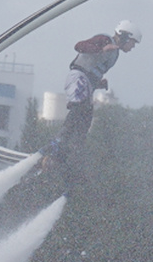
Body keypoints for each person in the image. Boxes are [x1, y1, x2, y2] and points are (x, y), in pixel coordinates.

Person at [41, 20, 142, 182]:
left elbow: (93, 69)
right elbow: (79, 46)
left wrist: (99, 83)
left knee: (85, 121)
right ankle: (57, 142)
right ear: (125, 36)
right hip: (78, 78)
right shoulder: (105, 39)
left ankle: (66, 157)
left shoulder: (115, 54)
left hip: (87, 83)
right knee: (78, 110)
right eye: (133, 43)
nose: (132, 47)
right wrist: (101, 49)